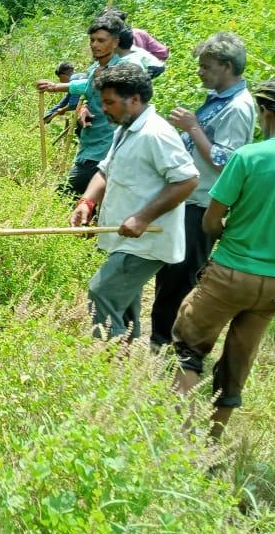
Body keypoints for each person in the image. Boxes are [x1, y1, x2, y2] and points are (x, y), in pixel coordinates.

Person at [172, 76, 275, 439]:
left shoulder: (249, 156)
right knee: (238, 361)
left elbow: (211, 220)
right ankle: (213, 443)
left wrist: (231, 231)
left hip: (230, 272)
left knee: (190, 345)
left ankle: (178, 439)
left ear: (265, 112)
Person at [70, 63, 199, 341]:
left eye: (110, 102)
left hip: (145, 243)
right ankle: (126, 367)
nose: (104, 109)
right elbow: (105, 170)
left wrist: (142, 218)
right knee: (122, 307)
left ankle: (108, 364)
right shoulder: (126, 128)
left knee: (101, 293)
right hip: (124, 237)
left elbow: (187, 180)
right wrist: (87, 203)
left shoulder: (156, 134)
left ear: (135, 99)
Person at [149, 33, 255, 351]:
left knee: (182, 275)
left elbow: (227, 162)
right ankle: (160, 337)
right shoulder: (218, 99)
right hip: (187, 197)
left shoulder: (238, 107)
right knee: (171, 271)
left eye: (206, 67)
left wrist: (193, 128)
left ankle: (167, 343)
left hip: (203, 202)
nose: (200, 72)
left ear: (226, 66)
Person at [37, 15, 124, 196]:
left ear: (115, 42)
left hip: (106, 148)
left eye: (101, 40)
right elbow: (88, 88)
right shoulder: (95, 68)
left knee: (64, 195)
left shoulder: (121, 71)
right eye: (92, 40)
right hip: (89, 144)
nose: (94, 45)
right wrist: (79, 104)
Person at [105, 6, 169, 62]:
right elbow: (163, 52)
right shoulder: (139, 33)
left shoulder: (107, 39)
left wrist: (146, 62)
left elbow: (162, 52)